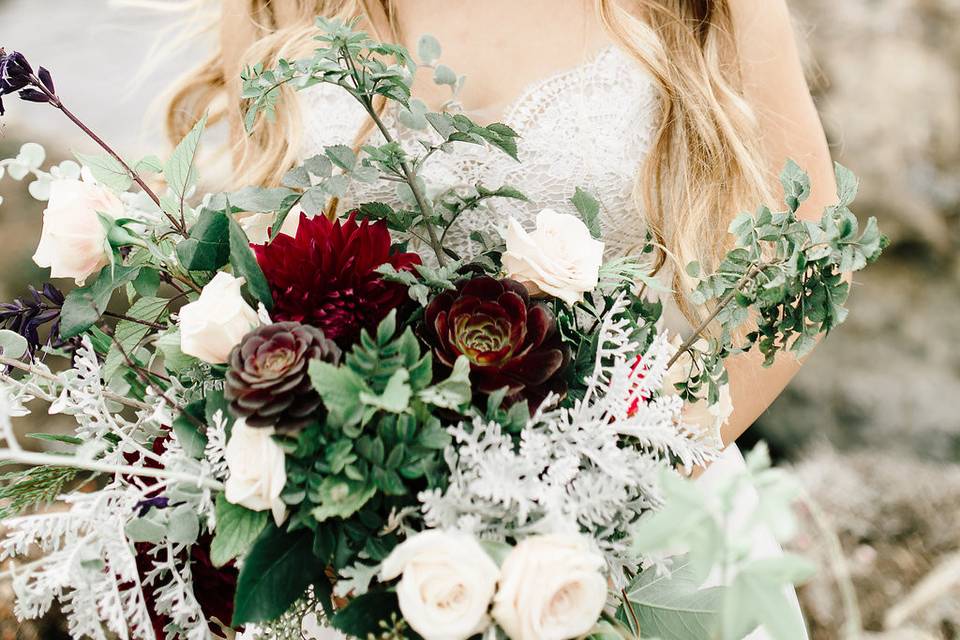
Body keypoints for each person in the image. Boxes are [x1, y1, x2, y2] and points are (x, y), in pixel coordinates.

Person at [166, 1, 835, 636]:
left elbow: (808, 261)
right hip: (357, 542)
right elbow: (261, 255)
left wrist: (628, 470)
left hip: (627, 529)